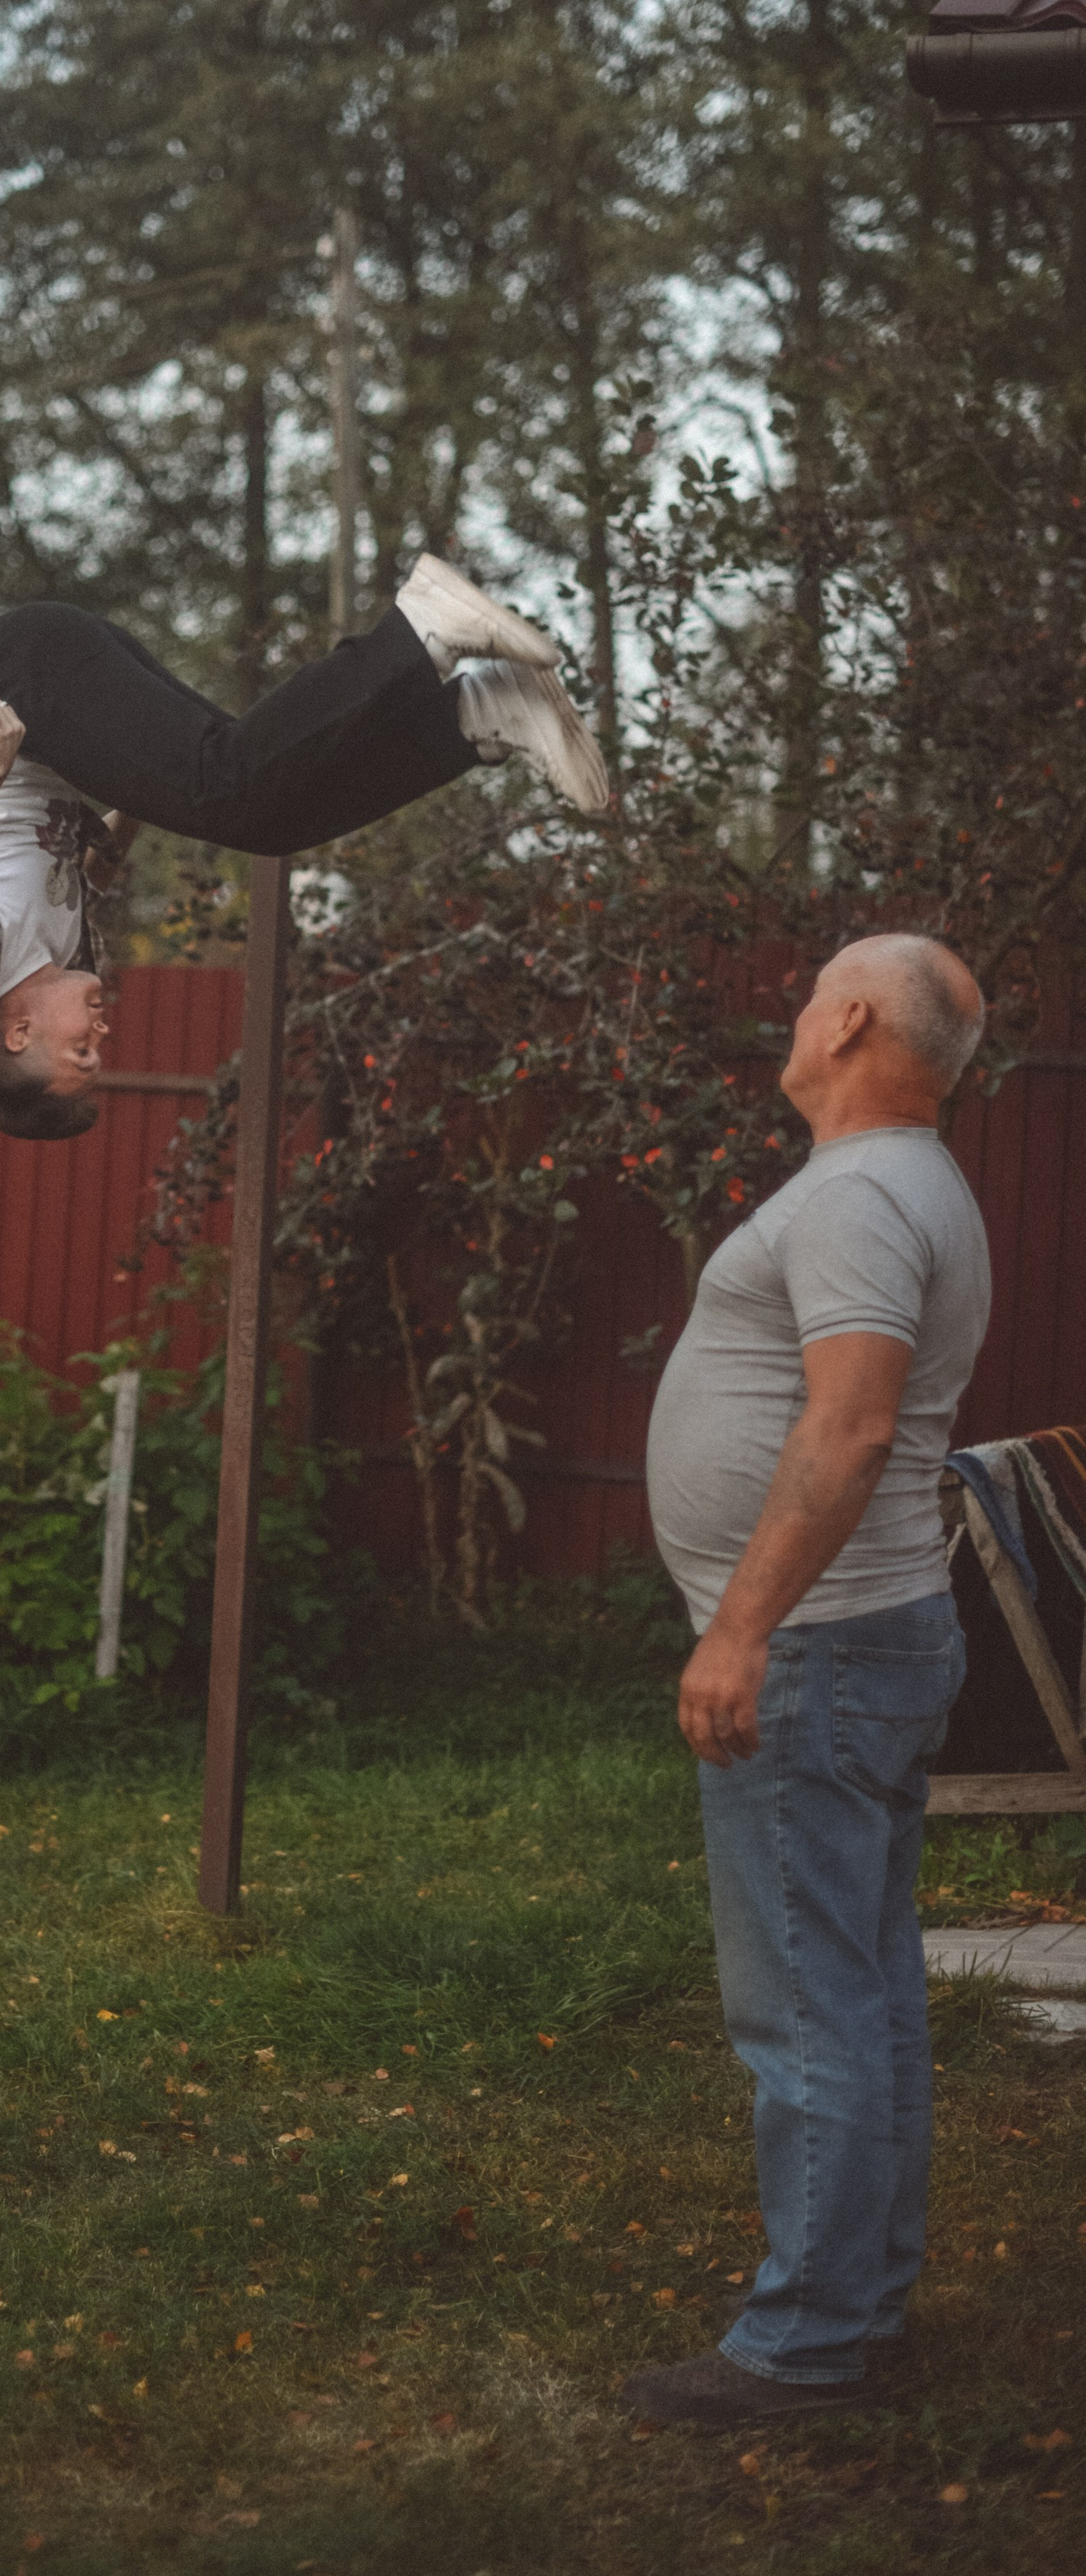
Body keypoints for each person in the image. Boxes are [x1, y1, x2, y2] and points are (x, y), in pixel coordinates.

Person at [621, 934, 990, 2429]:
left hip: (821, 1648)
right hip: (870, 1636)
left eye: (804, 996)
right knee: (869, 1986)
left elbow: (846, 1431)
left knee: (806, 2007)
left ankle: (809, 2347)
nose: (791, 1017)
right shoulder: (915, 1185)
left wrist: (741, 1629)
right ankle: (863, 2296)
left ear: (848, 1020)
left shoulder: (856, 1191)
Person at [0, 559, 608, 1135]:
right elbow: (81, 882)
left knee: (225, 785)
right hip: (50, 706)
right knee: (266, 818)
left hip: (7, 677)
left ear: (18, 1035)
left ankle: (423, 627)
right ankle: (477, 719)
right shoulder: (54, 962)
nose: (102, 1036)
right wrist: (137, 807)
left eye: (84, 1054)